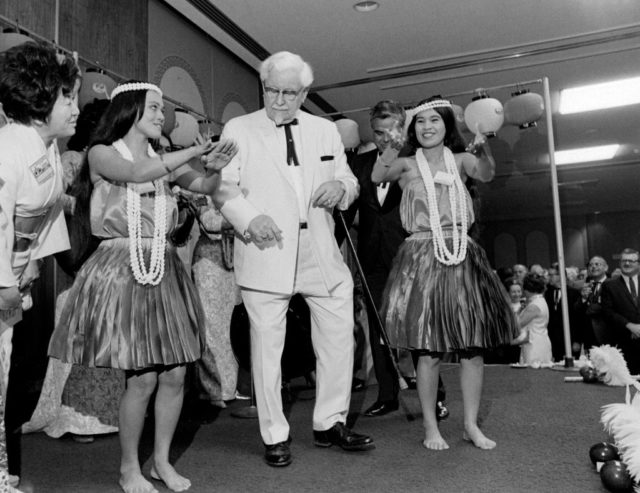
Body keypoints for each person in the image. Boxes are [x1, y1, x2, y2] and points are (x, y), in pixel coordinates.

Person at [48, 81, 238, 493]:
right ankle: (129, 468)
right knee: (143, 378)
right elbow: (135, 174)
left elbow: (204, 187)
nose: (160, 116)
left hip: (163, 268)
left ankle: (162, 462)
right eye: (153, 108)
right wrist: (192, 152)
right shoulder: (102, 154)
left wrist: (215, 166)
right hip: (122, 270)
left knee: (175, 374)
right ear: (130, 110)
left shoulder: (162, 159)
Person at [213, 51, 373, 468]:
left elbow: (348, 178)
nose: (279, 100)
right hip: (266, 250)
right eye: (271, 90)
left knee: (340, 338)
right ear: (262, 87)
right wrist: (249, 218)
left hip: (320, 251)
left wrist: (341, 188)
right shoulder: (239, 128)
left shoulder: (325, 130)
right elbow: (223, 187)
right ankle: (274, 435)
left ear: (305, 93)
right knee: (267, 350)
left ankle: (329, 423)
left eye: (289, 93)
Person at [372, 96, 517, 451]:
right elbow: (378, 175)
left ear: (447, 124)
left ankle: (470, 424)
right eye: (420, 122)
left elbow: (486, 173)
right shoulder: (406, 164)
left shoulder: (462, 159)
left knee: (472, 348)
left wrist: (483, 147)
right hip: (421, 257)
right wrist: (390, 147)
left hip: (461, 254)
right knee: (428, 350)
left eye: (434, 120)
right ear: (412, 128)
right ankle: (430, 427)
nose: (427, 127)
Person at [0, 41, 80, 490]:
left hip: (18, 279)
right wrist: (5, 282)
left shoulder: (44, 145)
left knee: (11, 376)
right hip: (3, 282)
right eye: (66, 97)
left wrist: (31, 265)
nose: (75, 108)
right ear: (39, 100)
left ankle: (7, 473)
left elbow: (45, 213)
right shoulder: (8, 146)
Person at [341, 100, 448, 419]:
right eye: (378, 133)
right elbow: (347, 212)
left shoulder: (419, 160)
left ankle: (436, 394)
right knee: (378, 328)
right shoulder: (360, 166)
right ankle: (387, 394)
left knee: (417, 326)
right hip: (371, 257)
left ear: (402, 128)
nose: (385, 139)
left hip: (410, 256)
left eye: (391, 132)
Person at [601, 248, 640, 375]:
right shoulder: (609, 285)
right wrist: (630, 326)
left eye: (631, 261)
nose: (627, 264)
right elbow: (608, 312)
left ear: (638, 263)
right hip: (623, 343)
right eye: (624, 261)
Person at [512, 273, 552, 366]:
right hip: (536, 341)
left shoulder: (534, 305)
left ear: (527, 289)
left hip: (534, 344)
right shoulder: (538, 301)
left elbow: (517, 324)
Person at [574, 255, 611, 350]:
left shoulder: (613, 284)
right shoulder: (587, 285)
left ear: (606, 267)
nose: (593, 267)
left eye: (597, 264)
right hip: (589, 337)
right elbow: (577, 310)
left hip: (608, 336)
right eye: (590, 265)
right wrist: (583, 298)